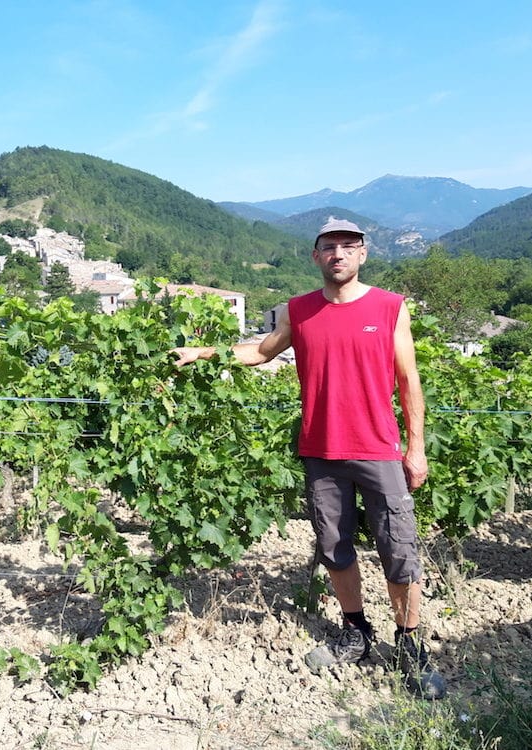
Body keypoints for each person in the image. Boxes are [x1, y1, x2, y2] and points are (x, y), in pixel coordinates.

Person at [172, 217, 446, 699]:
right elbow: (258, 351)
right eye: (328, 247)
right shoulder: (298, 310)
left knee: (398, 550)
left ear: (363, 254)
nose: (338, 254)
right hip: (320, 451)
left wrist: (415, 447)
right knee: (334, 547)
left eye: (348, 246)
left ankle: (408, 646)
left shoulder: (389, 307)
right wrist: (203, 353)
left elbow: (409, 381)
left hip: (379, 450)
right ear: (316, 257)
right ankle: (356, 632)